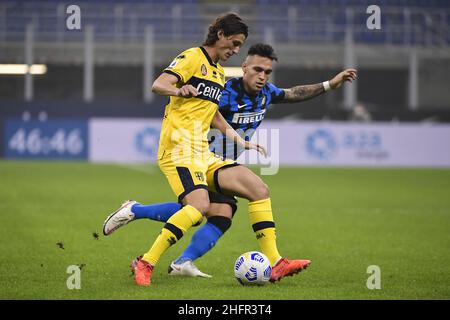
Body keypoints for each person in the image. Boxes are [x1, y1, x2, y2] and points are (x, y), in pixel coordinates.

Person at [103, 41, 357, 285]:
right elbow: (193, 108)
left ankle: (183, 258)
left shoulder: (266, 93)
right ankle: (141, 228)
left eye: (267, 71)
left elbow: (293, 94)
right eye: (257, 69)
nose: (262, 76)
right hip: (195, 158)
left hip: (217, 162)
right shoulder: (223, 92)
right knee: (200, 210)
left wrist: (329, 84)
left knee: (228, 209)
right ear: (244, 67)